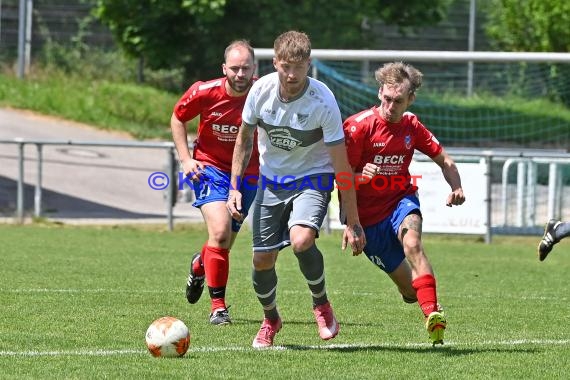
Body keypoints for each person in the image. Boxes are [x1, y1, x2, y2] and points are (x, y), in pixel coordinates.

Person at [226, 30, 366, 348]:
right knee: (262, 260)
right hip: (271, 181)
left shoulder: (323, 101)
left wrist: (353, 221)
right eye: (285, 66)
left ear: (309, 65)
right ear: (275, 62)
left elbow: (341, 165)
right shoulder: (260, 92)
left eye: (298, 67)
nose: (291, 74)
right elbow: (244, 140)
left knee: (302, 240)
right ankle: (271, 319)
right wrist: (234, 187)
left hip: (313, 177)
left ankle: (321, 304)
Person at [342, 61, 465, 346]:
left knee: (413, 245)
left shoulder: (412, 125)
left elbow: (445, 161)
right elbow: (340, 178)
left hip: (400, 201)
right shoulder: (358, 127)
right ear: (379, 93)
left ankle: (434, 317)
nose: (390, 105)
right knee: (411, 292)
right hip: (367, 219)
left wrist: (456, 186)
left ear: (410, 99)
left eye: (398, 100)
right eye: (386, 98)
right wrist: (360, 182)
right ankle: (420, 299)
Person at [170, 40, 259, 325]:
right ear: (224, 69)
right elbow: (177, 117)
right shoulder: (204, 91)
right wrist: (186, 160)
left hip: (249, 174)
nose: (240, 74)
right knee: (220, 231)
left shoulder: (265, 93)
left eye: (246, 68)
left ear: (254, 68)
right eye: (234, 68)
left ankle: (199, 265)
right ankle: (218, 308)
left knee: (224, 243)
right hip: (210, 168)